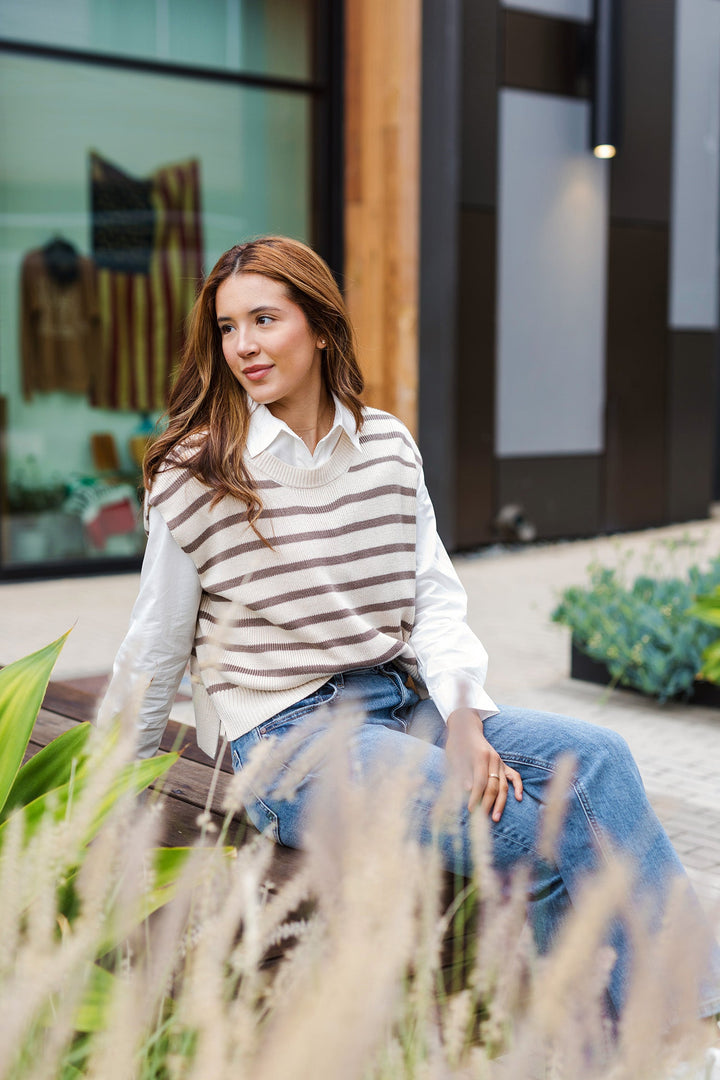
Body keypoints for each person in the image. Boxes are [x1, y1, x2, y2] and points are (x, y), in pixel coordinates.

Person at [100, 236, 720, 1036]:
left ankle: (687, 1009)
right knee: (528, 833)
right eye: (226, 328)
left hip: (398, 704)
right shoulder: (201, 471)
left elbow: (434, 597)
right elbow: (153, 646)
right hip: (291, 740)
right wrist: (104, 787)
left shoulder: (386, 446)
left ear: (320, 326)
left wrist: (464, 719)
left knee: (600, 758)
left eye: (264, 319)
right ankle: (590, 1043)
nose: (243, 346)